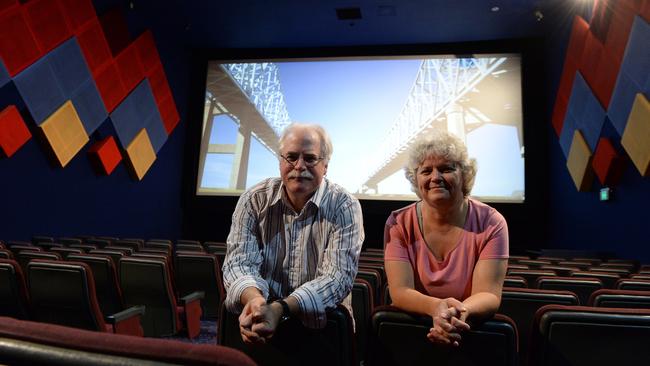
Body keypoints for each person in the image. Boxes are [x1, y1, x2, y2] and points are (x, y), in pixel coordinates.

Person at [222, 123, 364, 345]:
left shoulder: (345, 206)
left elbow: (337, 279)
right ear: (280, 162)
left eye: (310, 158)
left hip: (323, 332)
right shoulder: (253, 200)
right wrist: (255, 300)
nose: (299, 166)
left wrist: (280, 309)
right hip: (259, 324)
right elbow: (238, 263)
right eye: (291, 157)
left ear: (325, 166)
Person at [384, 130, 508, 347]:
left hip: (466, 332)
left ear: (465, 174)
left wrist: (452, 318)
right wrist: (436, 309)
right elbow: (399, 292)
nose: (435, 178)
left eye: (446, 169)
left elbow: (488, 294)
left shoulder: (492, 222)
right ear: (416, 179)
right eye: (426, 171)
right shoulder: (398, 223)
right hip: (413, 333)